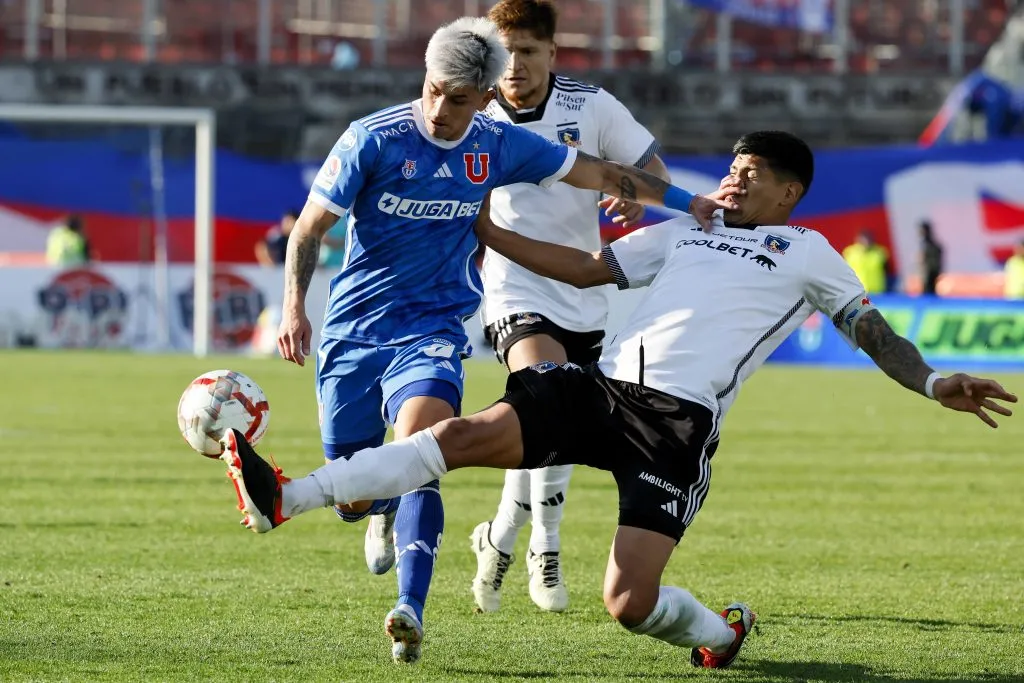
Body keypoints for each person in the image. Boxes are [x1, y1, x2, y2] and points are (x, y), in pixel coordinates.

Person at [212, 130, 1016, 669]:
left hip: (675, 428)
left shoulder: (808, 252)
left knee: (628, 603)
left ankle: (720, 635)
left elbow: (870, 328)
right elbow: (587, 268)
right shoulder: (688, 231)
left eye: (752, 172)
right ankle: (289, 495)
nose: (733, 178)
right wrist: (486, 231)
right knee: (458, 437)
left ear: (789, 193)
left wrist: (936, 380)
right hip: (598, 391)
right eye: (732, 166)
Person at [270, 16, 729, 666]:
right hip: (356, 329)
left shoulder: (503, 143)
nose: (438, 108)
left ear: (484, 99)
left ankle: (413, 607)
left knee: (427, 446)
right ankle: (375, 501)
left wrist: (689, 202)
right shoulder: (371, 139)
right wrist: (294, 306)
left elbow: (600, 173)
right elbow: (310, 228)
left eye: (457, 97)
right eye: (432, 89)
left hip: (434, 325)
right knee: (358, 494)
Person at [471, 0, 672, 615]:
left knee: (552, 422)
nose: (515, 67)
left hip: (586, 291)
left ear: (552, 54)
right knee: (549, 394)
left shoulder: (591, 106)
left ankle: (500, 534)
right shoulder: (472, 111)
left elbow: (652, 171)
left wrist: (636, 199)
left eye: (528, 52)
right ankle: (546, 548)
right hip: (515, 287)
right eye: (504, 55)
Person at [842, 229, 889, 294]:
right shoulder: (849, 252)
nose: (865, 242)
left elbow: (887, 270)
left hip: (878, 291)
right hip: (857, 291)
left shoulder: (880, 252)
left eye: (868, 240)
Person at [918, 220, 943, 296]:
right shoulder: (925, 244)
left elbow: (934, 260)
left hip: (930, 274)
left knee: (929, 293)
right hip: (929, 274)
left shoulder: (929, 245)